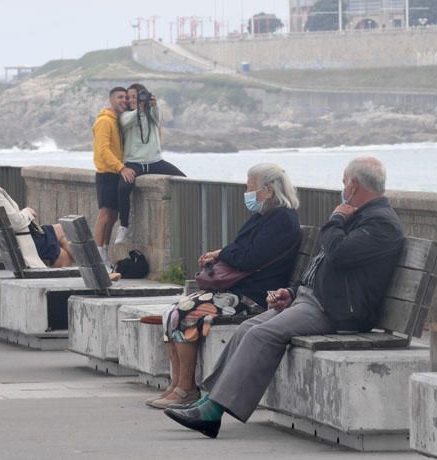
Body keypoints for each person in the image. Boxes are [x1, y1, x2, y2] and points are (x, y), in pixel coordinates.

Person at [163, 156, 405, 438]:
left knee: (261, 335)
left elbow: (338, 255)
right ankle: (208, 400)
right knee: (248, 328)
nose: (342, 187)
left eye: (343, 182)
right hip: (316, 299)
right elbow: (323, 265)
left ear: (352, 185)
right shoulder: (360, 217)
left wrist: (336, 219)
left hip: (338, 311)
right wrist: (291, 292)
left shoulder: (380, 224)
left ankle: (212, 413)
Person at [147, 163, 301, 409]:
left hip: (260, 296)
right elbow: (240, 249)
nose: (247, 193)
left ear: (268, 190)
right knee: (172, 311)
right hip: (240, 290)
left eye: (250, 188)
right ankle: (176, 384)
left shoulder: (282, 220)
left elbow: (249, 257)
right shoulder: (264, 217)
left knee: (186, 311)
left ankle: (186, 389)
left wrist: (223, 253)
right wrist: (226, 253)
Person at [0, 147, 73, 268]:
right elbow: (17, 222)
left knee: (62, 230)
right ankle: (87, 273)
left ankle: (85, 273)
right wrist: (27, 212)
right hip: (17, 243)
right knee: (63, 254)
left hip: (6, 241)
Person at [115, 83, 185, 244]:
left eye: (136, 96)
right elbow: (126, 123)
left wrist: (153, 106)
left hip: (155, 161)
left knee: (183, 180)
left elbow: (157, 119)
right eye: (130, 97)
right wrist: (139, 109)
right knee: (123, 187)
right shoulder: (125, 116)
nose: (133, 100)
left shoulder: (150, 112)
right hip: (134, 163)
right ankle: (123, 226)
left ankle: (184, 212)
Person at [93, 87, 129, 269]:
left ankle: (105, 255)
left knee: (113, 216)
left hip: (115, 174)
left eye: (125, 97)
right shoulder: (105, 121)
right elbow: (103, 150)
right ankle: (99, 258)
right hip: (106, 174)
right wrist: (121, 167)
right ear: (111, 99)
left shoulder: (117, 121)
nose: (124, 100)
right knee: (105, 216)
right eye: (119, 97)